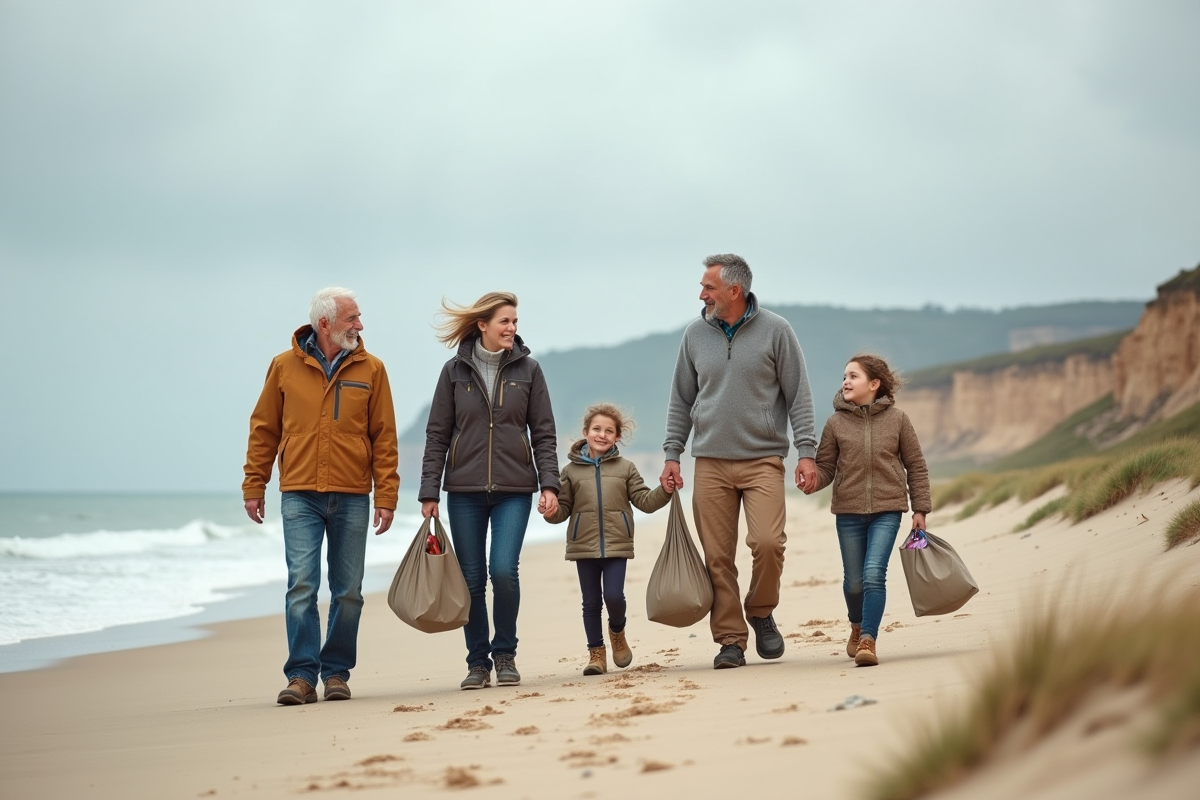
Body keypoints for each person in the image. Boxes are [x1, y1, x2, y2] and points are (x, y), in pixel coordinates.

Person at [242, 287, 399, 705]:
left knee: (348, 590)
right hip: (298, 494)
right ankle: (301, 676)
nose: (360, 326)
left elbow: (384, 437)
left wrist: (387, 494)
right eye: (352, 318)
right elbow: (264, 431)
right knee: (302, 586)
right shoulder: (282, 367)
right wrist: (253, 484)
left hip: (351, 494)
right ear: (325, 323)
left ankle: (336, 673)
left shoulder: (373, 369)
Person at [661, 254, 817, 669]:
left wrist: (806, 451)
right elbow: (681, 398)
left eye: (708, 287)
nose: (701, 294)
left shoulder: (777, 331)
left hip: (762, 459)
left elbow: (798, 394)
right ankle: (730, 639)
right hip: (709, 461)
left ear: (735, 290)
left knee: (768, 543)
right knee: (718, 556)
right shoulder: (694, 335)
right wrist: (672, 453)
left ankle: (761, 611)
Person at [419, 292, 560, 690]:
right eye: (505, 322)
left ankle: (506, 655)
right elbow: (437, 435)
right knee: (472, 579)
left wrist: (549, 483)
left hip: (514, 487)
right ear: (483, 325)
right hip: (463, 489)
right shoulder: (453, 372)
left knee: (503, 570)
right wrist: (430, 491)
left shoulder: (529, 370)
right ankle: (478, 662)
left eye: (515, 322)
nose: (512, 329)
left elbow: (544, 433)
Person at [804, 355, 931, 667]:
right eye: (844, 376)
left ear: (874, 384)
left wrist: (920, 509)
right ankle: (857, 624)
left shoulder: (898, 420)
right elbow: (826, 469)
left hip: (888, 510)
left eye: (853, 376)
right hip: (848, 512)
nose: (845, 381)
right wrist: (811, 481)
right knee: (854, 582)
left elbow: (916, 466)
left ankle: (868, 640)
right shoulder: (835, 423)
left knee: (874, 574)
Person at [543, 404, 672, 676]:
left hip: (617, 545)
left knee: (613, 596)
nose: (602, 435)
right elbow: (563, 509)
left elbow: (644, 501)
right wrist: (550, 512)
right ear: (586, 432)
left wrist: (665, 491)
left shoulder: (626, 468)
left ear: (617, 437)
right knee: (590, 602)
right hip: (583, 547)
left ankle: (617, 631)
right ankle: (596, 654)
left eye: (609, 431)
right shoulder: (570, 471)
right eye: (597, 429)